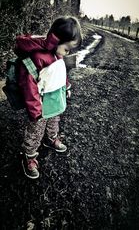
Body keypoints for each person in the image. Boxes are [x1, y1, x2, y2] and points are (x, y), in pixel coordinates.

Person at [15, 16, 82, 179]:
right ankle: (29, 155)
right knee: (36, 129)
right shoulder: (38, 57)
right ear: (56, 40)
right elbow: (29, 86)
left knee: (54, 120)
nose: (69, 53)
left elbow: (60, 71)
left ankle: (51, 138)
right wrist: (35, 110)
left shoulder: (58, 54)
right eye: (67, 49)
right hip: (40, 102)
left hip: (54, 99)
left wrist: (66, 86)